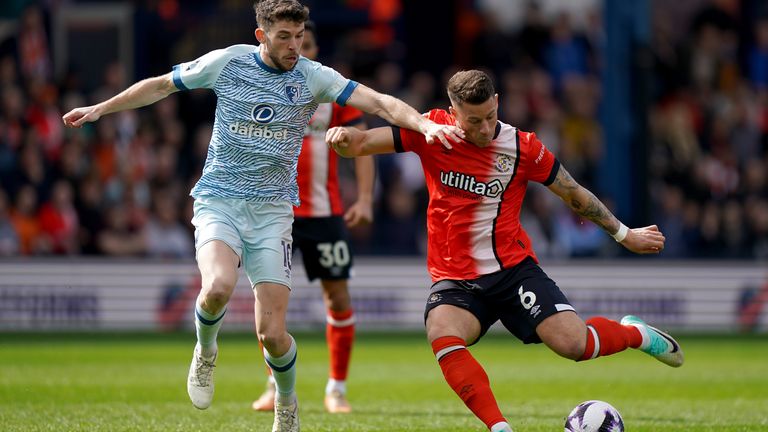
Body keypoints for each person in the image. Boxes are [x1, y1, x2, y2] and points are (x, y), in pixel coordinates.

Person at [61, 2, 460, 431]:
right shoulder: (228, 63)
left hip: (273, 214)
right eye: (284, 36)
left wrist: (424, 125)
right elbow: (161, 85)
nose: (295, 45)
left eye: (299, 35)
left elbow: (378, 101)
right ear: (261, 35)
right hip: (220, 201)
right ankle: (206, 351)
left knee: (272, 333)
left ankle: (287, 402)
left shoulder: (313, 77)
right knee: (217, 286)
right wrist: (101, 108)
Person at [326, 69, 684, 432]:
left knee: (574, 345)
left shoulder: (523, 147)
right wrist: (343, 138)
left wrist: (624, 234)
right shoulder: (431, 131)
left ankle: (635, 334)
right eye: (473, 121)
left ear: (497, 103)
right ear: (453, 111)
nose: (483, 129)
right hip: (455, 278)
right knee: (442, 332)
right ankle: (500, 427)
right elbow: (361, 144)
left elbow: (573, 193)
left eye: (490, 117)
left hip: (513, 270)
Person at [251, 20, 373, 414]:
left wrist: (366, 198)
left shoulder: (333, 92)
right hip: (274, 212)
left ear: (315, 50)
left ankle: (336, 388)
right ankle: (273, 385)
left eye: (305, 43)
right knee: (269, 304)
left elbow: (363, 142)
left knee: (337, 297)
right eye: (290, 42)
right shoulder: (261, 87)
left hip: (323, 214)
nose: (298, 50)